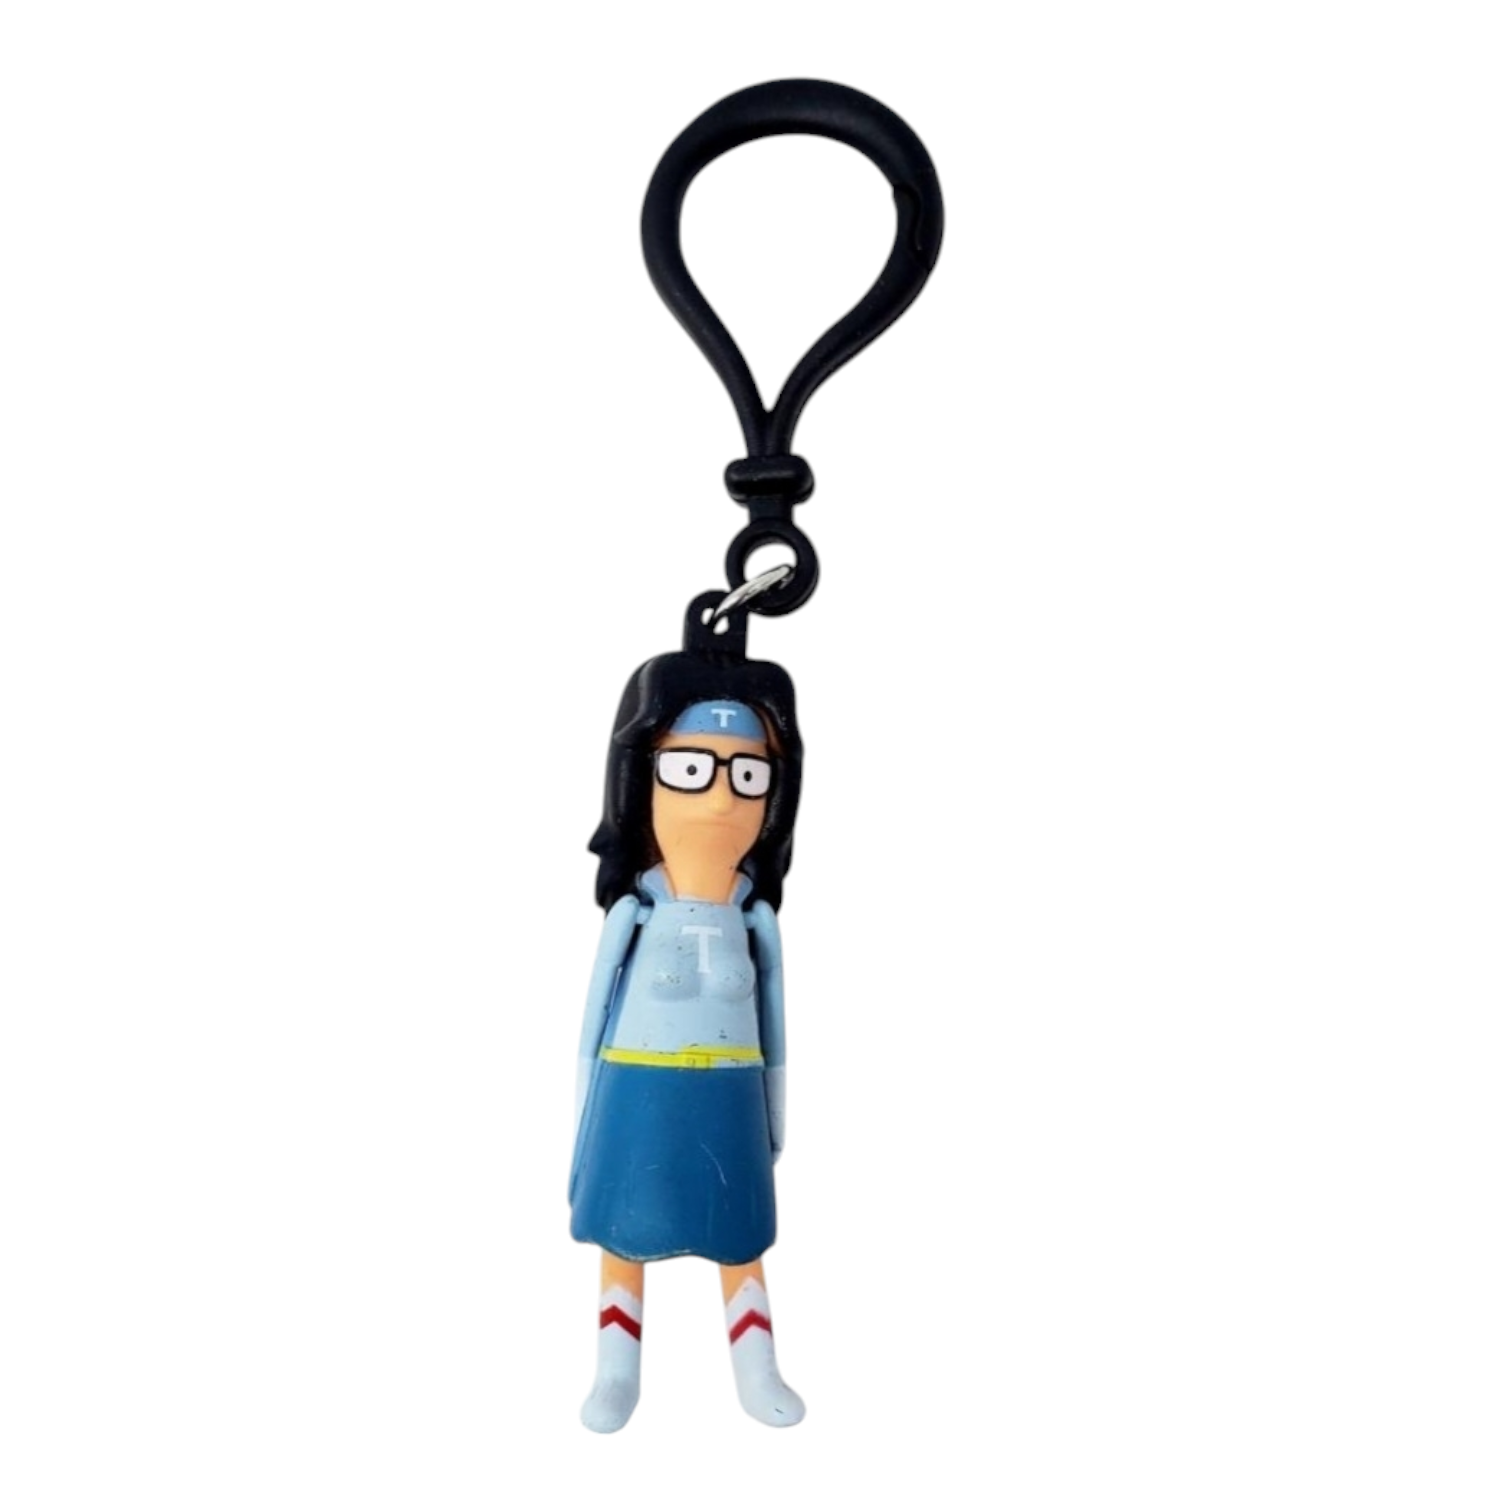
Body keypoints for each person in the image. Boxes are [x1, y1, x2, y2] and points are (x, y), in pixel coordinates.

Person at [569, 650, 805, 1432]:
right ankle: (616, 1370)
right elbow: (593, 1018)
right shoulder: (634, 914)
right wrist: (586, 1121)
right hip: (634, 1085)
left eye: (748, 775)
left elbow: (776, 1024)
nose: (720, 797)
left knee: (738, 1230)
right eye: (691, 770)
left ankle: (756, 1366)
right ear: (641, 778)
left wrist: (774, 1120)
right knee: (623, 1224)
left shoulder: (754, 919)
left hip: (732, 1092)